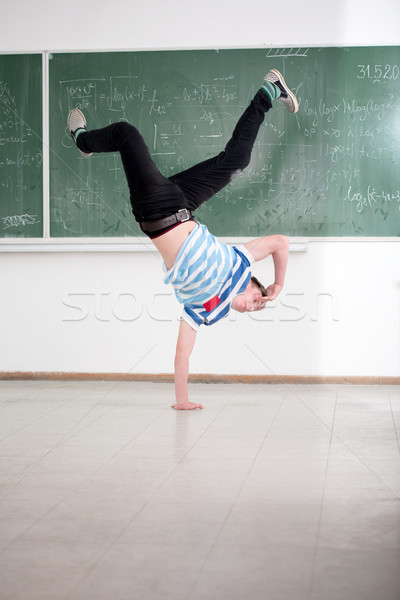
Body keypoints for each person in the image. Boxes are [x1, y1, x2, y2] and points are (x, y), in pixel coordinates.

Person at [67, 68, 298, 410]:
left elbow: (181, 354)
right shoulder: (240, 261)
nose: (255, 304)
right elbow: (280, 241)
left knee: (126, 134)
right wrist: (277, 285)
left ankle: (82, 140)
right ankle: (269, 91)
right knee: (237, 160)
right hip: (183, 204)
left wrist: (182, 400)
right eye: (258, 297)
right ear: (251, 282)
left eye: (255, 306)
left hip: (156, 210)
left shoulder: (206, 310)